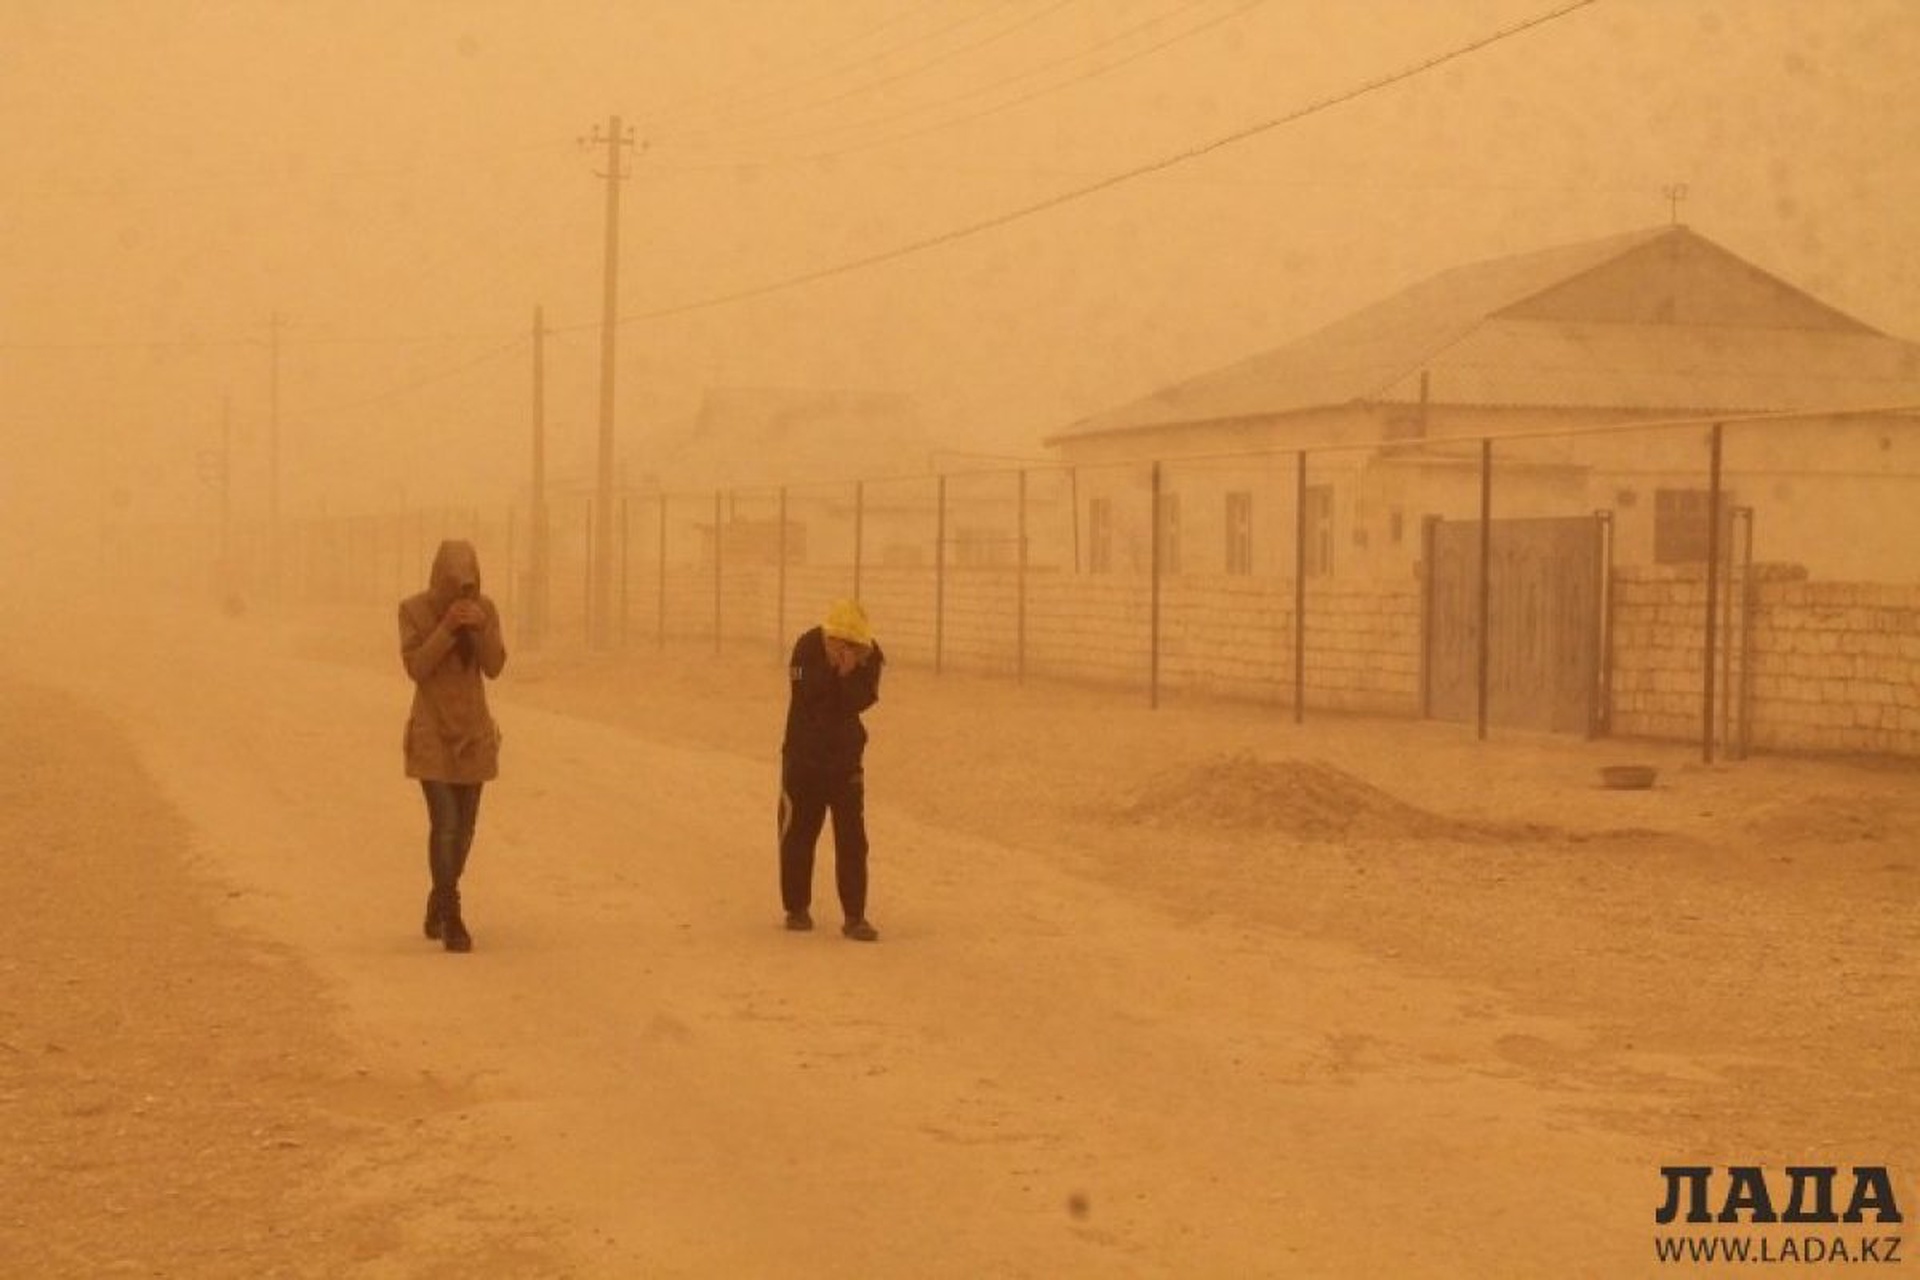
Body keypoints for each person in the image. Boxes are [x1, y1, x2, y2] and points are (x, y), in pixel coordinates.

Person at [399, 539, 506, 953]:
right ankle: (453, 915)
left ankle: (439, 897)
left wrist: (478, 627)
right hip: (432, 732)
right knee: (444, 824)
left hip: (474, 732)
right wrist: (446, 628)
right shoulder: (414, 610)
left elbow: (495, 666)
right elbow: (417, 667)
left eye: (470, 581)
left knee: (464, 830)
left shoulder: (486, 609)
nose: (463, 590)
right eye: (454, 582)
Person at [779, 598, 884, 942]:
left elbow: (861, 701)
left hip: (845, 761)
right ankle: (796, 908)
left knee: (852, 839)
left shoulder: (869, 656)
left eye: (854, 644)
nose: (847, 648)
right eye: (840, 642)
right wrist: (831, 671)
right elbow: (808, 696)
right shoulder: (806, 648)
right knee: (797, 834)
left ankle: (855, 917)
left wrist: (850, 672)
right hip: (802, 758)